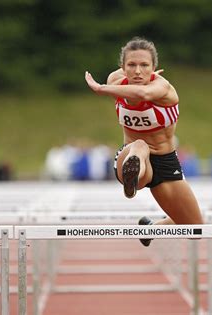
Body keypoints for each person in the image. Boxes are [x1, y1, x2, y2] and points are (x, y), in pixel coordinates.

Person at [85, 37, 203, 244]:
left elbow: (143, 93)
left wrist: (100, 88)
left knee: (195, 230)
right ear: (122, 68)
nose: (137, 71)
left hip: (165, 161)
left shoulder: (163, 89)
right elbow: (133, 87)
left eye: (144, 65)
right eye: (131, 65)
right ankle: (134, 174)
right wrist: (108, 86)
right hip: (130, 155)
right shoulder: (116, 81)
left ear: (154, 68)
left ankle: (149, 229)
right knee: (139, 145)